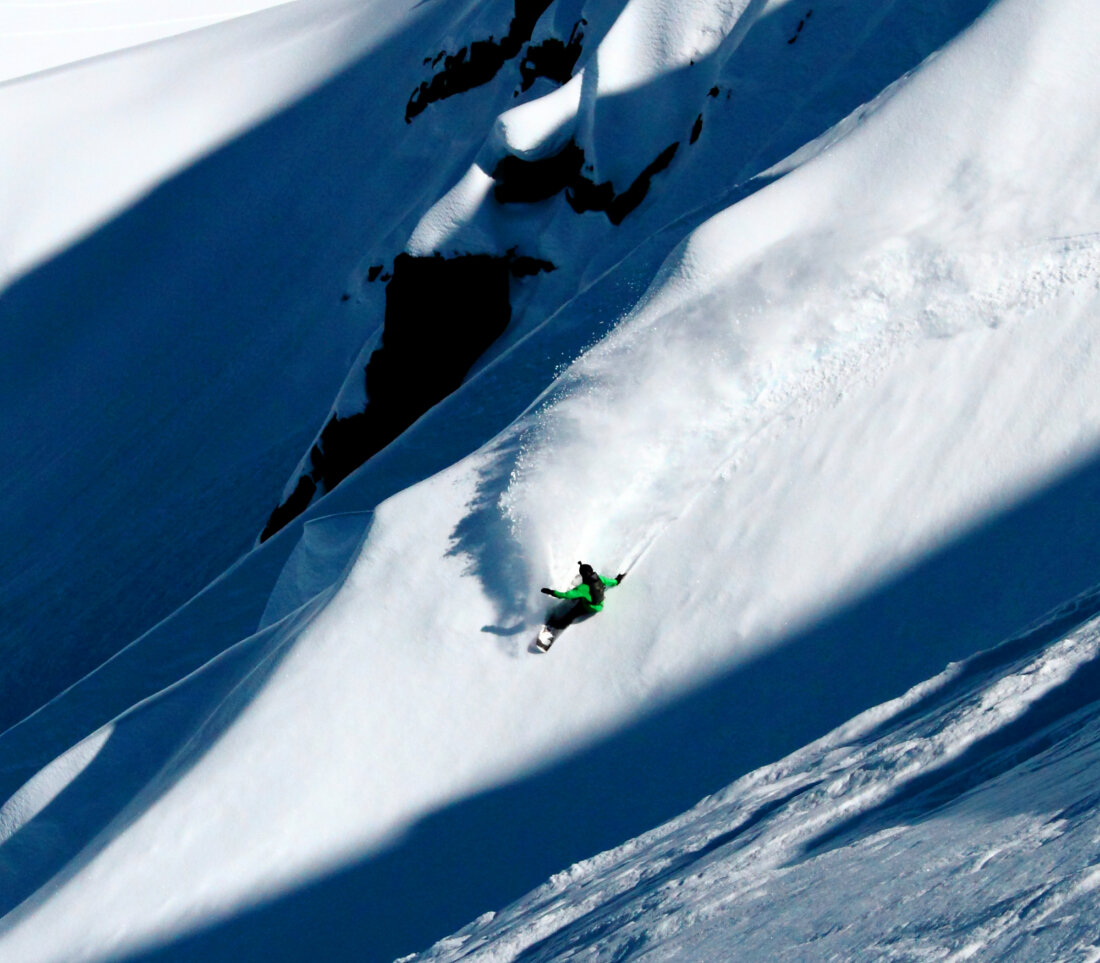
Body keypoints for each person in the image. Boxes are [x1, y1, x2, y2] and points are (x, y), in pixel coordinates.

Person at [540, 561, 626, 630]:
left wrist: (551, 592)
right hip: (600, 604)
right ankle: (577, 601)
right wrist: (618, 579)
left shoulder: (582, 588)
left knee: (572, 613)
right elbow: (613, 582)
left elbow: (565, 595)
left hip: (590, 607)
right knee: (580, 597)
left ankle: (558, 625)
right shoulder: (600, 578)